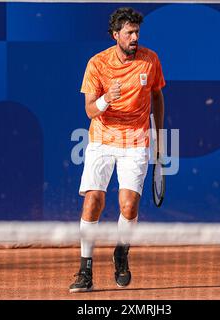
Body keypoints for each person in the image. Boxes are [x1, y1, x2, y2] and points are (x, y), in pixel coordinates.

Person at [69, 7, 166, 293]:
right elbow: (89, 111)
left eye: (137, 32)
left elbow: (157, 96)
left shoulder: (151, 60)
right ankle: (85, 269)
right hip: (102, 139)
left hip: (136, 141)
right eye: (129, 33)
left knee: (128, 205)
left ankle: (121, 254)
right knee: (93, 201)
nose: (135, 37)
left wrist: (159, 135)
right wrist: (105, 101)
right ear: (116, 36)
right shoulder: (97, 64)